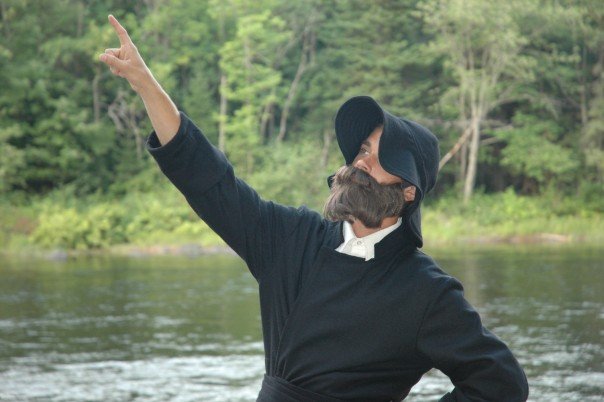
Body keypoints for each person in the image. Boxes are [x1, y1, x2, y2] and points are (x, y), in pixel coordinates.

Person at [99, 15, 529, 402]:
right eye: (361, 149)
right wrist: (144, 83)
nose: (360, 160)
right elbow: (209, 180)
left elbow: (502, 384)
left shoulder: (426, 291)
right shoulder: (290, 239)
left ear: (409, 191)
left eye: (380, 156)